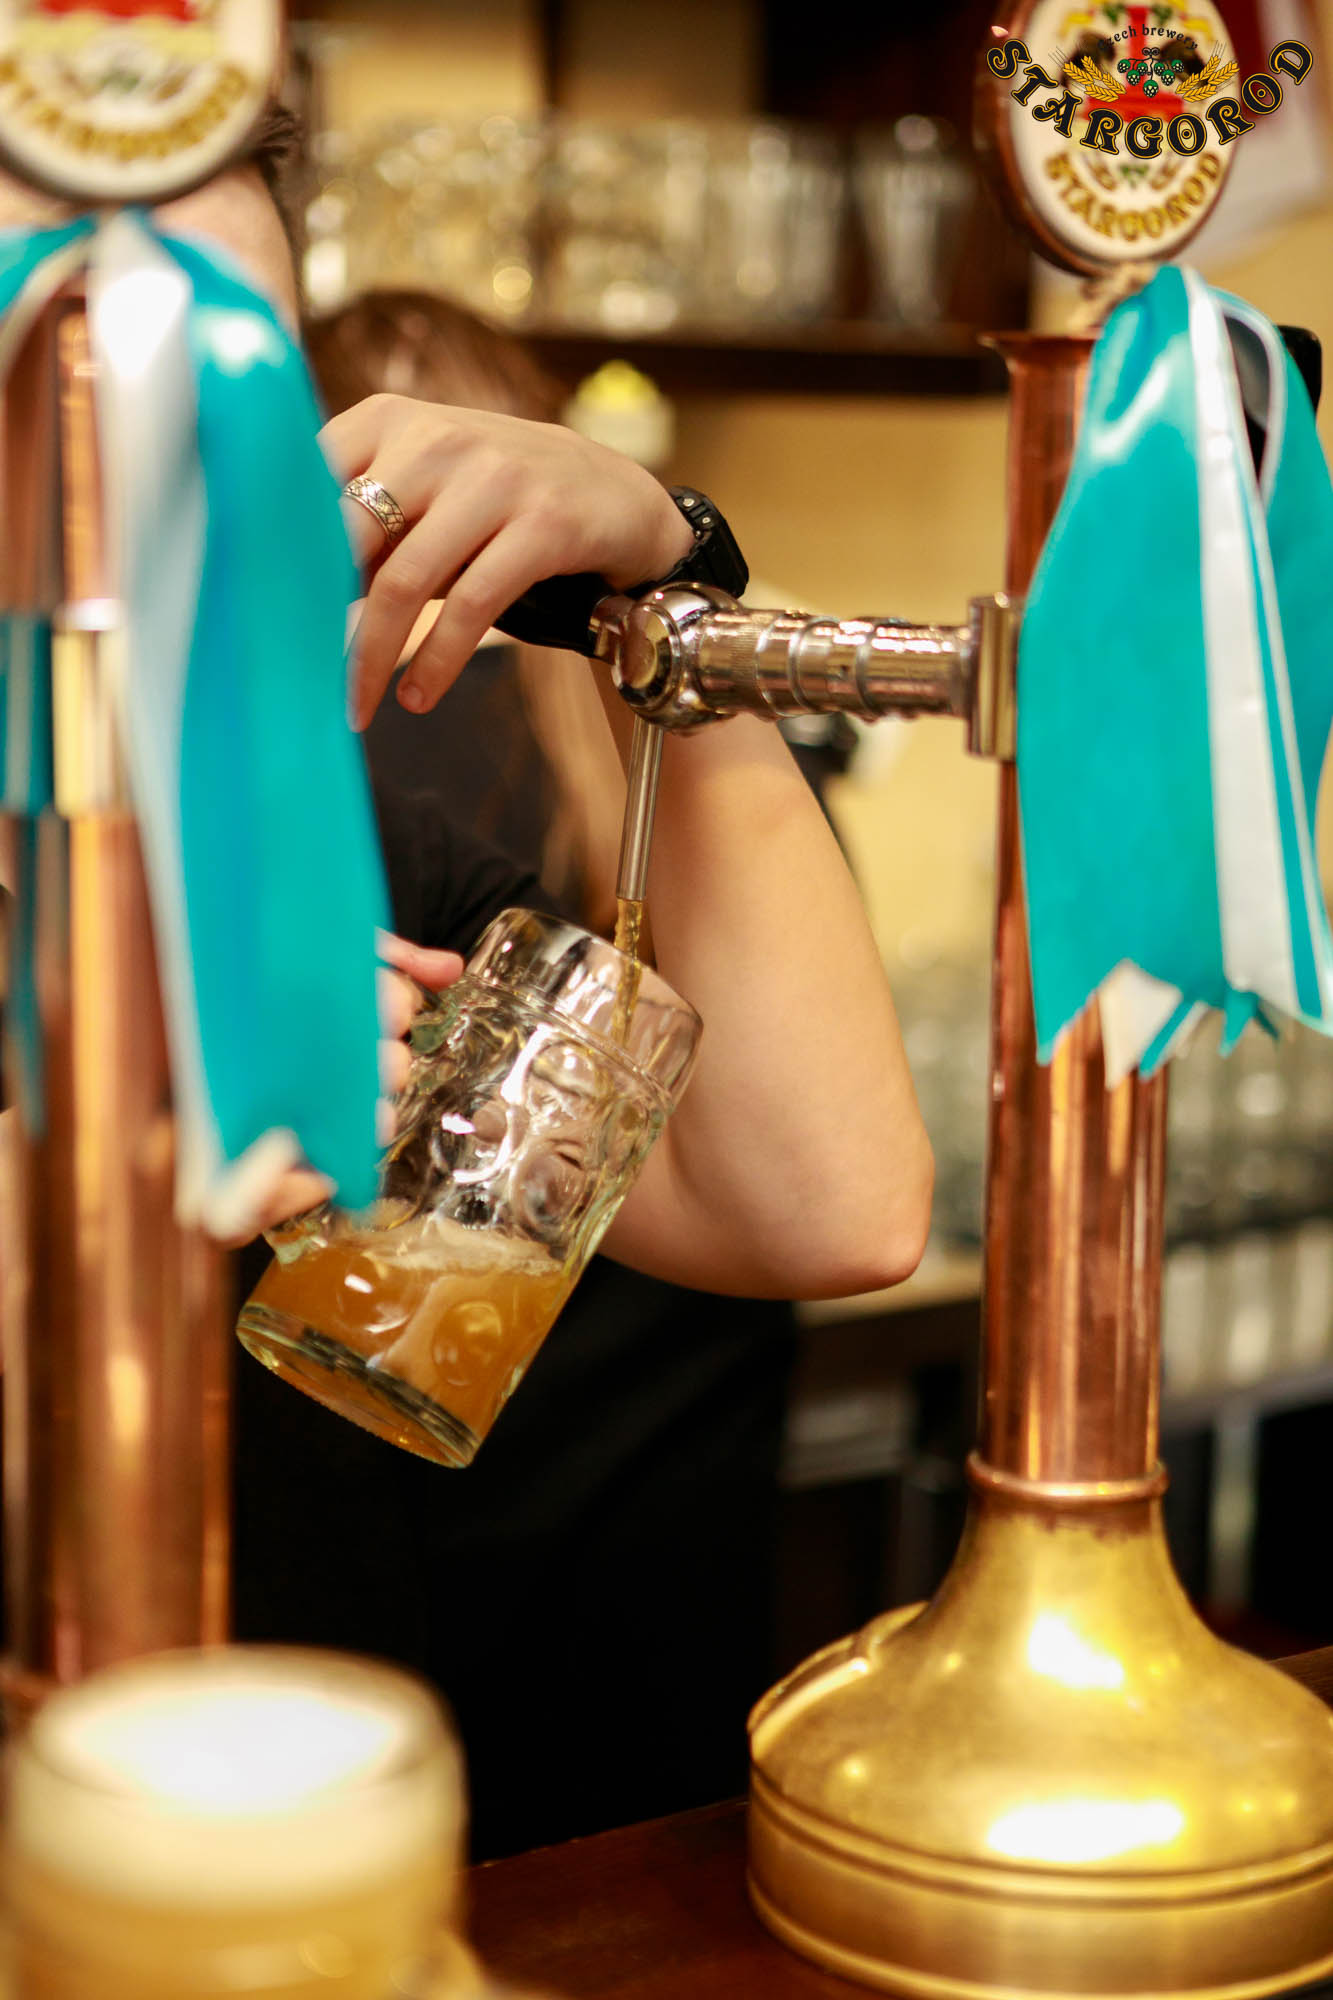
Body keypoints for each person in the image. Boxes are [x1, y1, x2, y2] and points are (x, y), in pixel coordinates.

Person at [0, 108, 934, 1852]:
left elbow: (823, 1203)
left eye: (228, 385)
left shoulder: (315, 842)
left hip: (308, 1877)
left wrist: (662, 591)